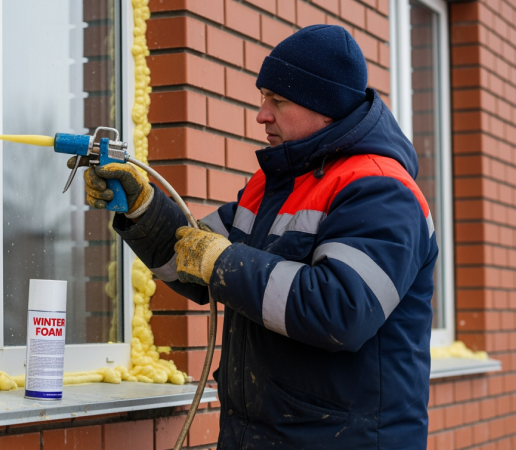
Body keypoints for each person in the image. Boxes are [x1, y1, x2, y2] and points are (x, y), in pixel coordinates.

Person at [76, 25, 436, 449]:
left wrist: (222, 263)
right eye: (263, 97)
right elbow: (190, 261)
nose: (262, 114)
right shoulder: (271, 186)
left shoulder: (380, 190)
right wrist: (141, 208)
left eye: (278, 101)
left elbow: (341, 312)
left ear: (328, 108)